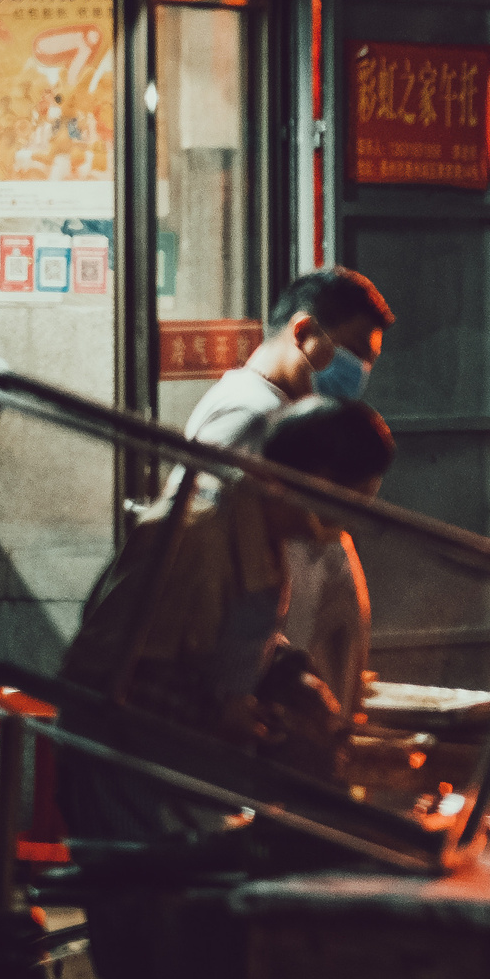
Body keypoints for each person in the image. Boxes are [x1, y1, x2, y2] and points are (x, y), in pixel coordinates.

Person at [59, 398, 398, 840]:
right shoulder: (190, 537)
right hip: (128, 783)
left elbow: (233, 639)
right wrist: (216, 714)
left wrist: (292, 680)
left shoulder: (263, 539)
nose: (353, 520)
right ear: (316, 480)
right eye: (353, 501)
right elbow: (102, 678)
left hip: (191, 784)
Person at [184, 266, 394, 457]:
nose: (360, 371)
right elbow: (196, 498)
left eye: (369, 361)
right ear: (303, 332)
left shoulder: (276, 410)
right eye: (353, 352)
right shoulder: (254, 415)